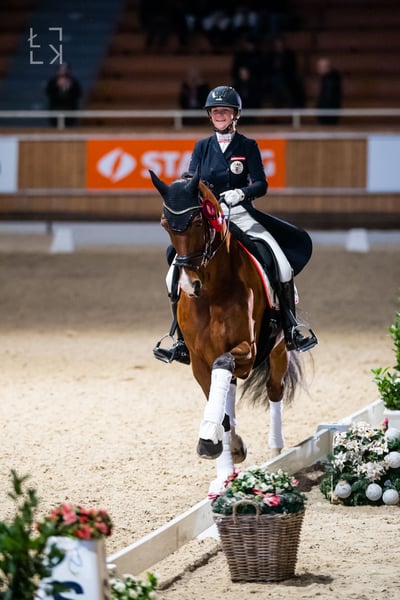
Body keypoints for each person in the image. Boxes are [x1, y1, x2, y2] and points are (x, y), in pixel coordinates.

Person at [154, 85, 318, 365]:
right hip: (211, 218)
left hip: (241, 213)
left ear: (235, 115)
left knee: (280, 262)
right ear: (210, 115)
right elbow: (192, 179)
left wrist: (241, 193)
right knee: (173, 270)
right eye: (215, 111)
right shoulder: (202, 147)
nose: (220, 115)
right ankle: (179, 339)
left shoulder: (247, 146)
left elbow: (261, 184)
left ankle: (291, 327)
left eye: (225, 111)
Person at [45, 63, 82, 127]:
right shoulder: (52, 82)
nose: (63, 72)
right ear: (57, 71)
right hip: (55, 111)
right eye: (61, 70)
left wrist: (69, 87)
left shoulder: (74, 82)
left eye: (65, 70)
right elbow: (48, 93)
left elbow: (79, 94)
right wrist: (57, 86)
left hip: (70, 111)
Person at [315, 57, 342, 125]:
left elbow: (328, 99)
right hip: (327, 112)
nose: (318, 68)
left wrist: (319, 109)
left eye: (320, 66)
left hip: (328, 113)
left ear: (327, 67)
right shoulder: (327, 78)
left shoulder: (330, 80)